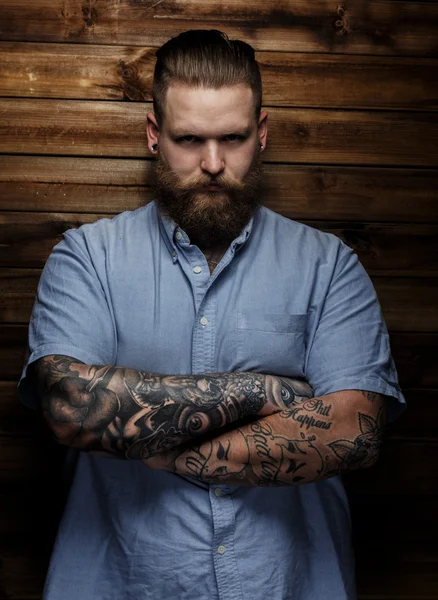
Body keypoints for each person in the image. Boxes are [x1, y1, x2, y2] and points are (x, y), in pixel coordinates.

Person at [18, 29, 406, 600]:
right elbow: (70, 405)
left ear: (262, 133)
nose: (214, 163)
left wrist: (159, 444)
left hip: (287, 586)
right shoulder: (87, 259)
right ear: (155, 136)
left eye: (233, 138)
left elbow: (354, 431)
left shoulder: (328, 266)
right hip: (123, 584)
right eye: (189, 139)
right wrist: (276, 393)